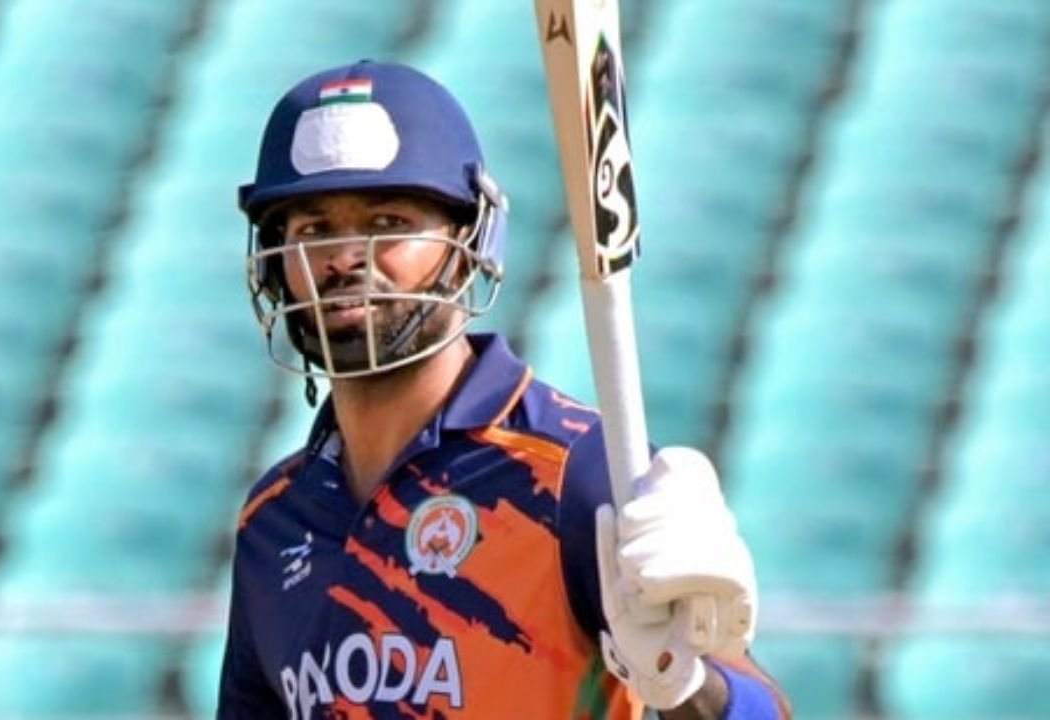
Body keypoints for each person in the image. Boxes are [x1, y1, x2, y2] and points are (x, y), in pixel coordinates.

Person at [218, 59, 792, 719]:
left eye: (388, 222)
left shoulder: (576, 475)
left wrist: (681, 680)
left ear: (470, 239)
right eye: (314, 230)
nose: (345, 257)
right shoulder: (274, 518)